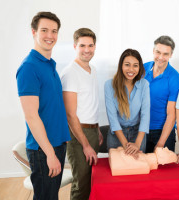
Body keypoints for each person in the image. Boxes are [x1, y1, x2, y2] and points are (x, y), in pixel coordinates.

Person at [16, 11, 71, 200]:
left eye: (54, 31)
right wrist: (49, 153)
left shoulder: (49, 64)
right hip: (44, 149)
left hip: (57, 143)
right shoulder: (29, 67)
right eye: (44, 30)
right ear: (33, 32)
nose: (50, 36)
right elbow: (31, 116)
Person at [60, 28, 103, 200]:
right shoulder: (70, 73)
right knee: (81, 184)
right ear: (74, 46)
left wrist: (97, 128)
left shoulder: (93, 70)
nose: (87, 49)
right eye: (82, 45)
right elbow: (70, 115)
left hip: (92, 131)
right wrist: (85, 145)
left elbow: (90, 104)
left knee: (91, 180)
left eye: (91, 45)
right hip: (78, 135)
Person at [105, 49, 150, 156]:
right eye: (127, 65)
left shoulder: (144, 84)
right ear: (121, 66)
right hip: (117, 135)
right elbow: (112, 118)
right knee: (118, 169)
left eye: (135, 65)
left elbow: (145, 115)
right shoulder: (109, 85)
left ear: (139, 67)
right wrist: (126, 145)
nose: (131, 69)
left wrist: (137, 144)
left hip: (138, 135)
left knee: (138, 170)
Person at [144, 35, 179, 153]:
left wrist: (160, 144)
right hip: (141, 130)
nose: (161, 57)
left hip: (162, 132)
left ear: (171, 55)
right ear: (153, 51)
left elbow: (172, 115)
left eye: (166, 54)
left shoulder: (175, 79)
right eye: (158, 52)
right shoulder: (143, 68)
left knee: (163, 170)